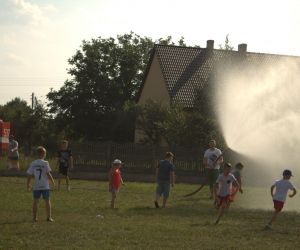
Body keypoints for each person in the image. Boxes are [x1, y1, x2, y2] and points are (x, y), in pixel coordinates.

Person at [26, 146, 55, 222]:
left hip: (36, 186)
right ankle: (49, 217)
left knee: (35, 201)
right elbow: (48, 174)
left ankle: (34, 218)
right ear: (43, 154)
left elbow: (29, 175)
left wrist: (28, 184)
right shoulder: (45, 163)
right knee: (47, 201)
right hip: (45, 186)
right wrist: (52, 181)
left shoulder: (33, 163)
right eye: (45, 153)